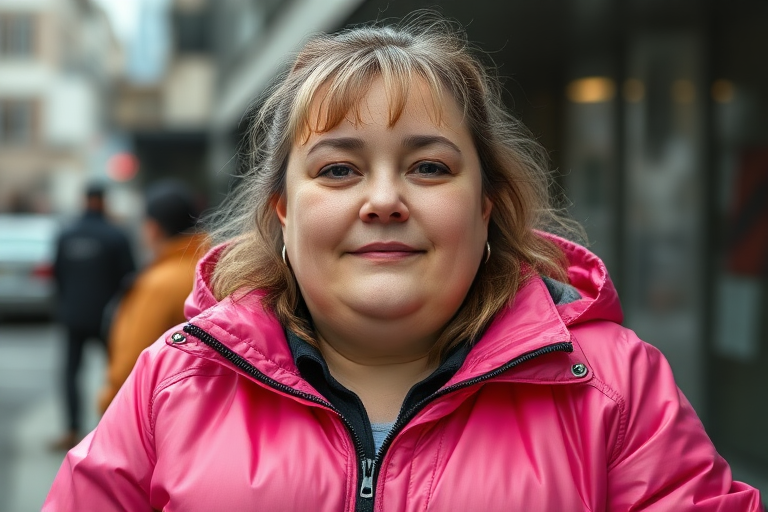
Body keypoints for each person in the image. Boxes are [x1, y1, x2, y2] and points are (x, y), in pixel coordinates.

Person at [44, 13, 763, 511]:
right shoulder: (172, 384)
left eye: (427, 166)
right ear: (282, 213)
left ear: (486, 206)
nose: (384, 200)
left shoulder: (614, 389)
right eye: (336, 171)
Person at [97, 180, 208, 414]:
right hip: (203, 408)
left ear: (153, 228)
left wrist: (105, 403)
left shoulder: (157, 285)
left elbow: (129, 364)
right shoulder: (215, 269)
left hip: (158, 413)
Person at [51, 183, 135, 450]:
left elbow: (57, 275)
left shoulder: (67, 235)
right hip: (106, 317)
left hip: (73, 314)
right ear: (104, 201)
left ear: (84, 200)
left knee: (70, 373)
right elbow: (129, 277)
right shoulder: (115, 236)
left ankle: (71, 429)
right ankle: (111, 430)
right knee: (115, 371)